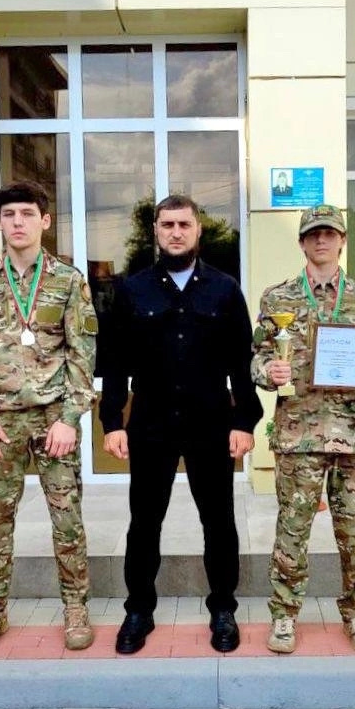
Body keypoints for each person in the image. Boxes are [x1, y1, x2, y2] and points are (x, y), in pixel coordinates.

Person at [100, 194, 263, 655]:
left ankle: (223, 608)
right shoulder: (132, 290)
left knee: (219, 522)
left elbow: (242, 362)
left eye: (184, 224)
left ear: (198, 230)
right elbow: (114, 363)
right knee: (144, 522)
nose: (176, 232)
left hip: (210, 421)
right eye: (167, 224)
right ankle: (139, 610)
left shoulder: (224, 289)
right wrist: (113, 422)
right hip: (150, 423)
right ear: (156, 230)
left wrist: (244, 421)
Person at [251, 204, 355, 655]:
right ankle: (284, 615)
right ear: (302, 242)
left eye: (330, 233)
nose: (321, 240)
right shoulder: (277, 298)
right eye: (313, 234)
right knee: (292, 531)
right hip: (297, 436)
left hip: (353, 434)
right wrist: (268, 372)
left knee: (353, 531)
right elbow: (257, 357)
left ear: (342, 240)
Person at [0, 181, 98, 655]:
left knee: (67, 520)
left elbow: (82, 353)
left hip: (54, 420)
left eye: (27, 213)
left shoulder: (68, 280)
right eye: (10, 214)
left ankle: (75, 608)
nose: (18, 222)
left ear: (45, 221)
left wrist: (70, 418)